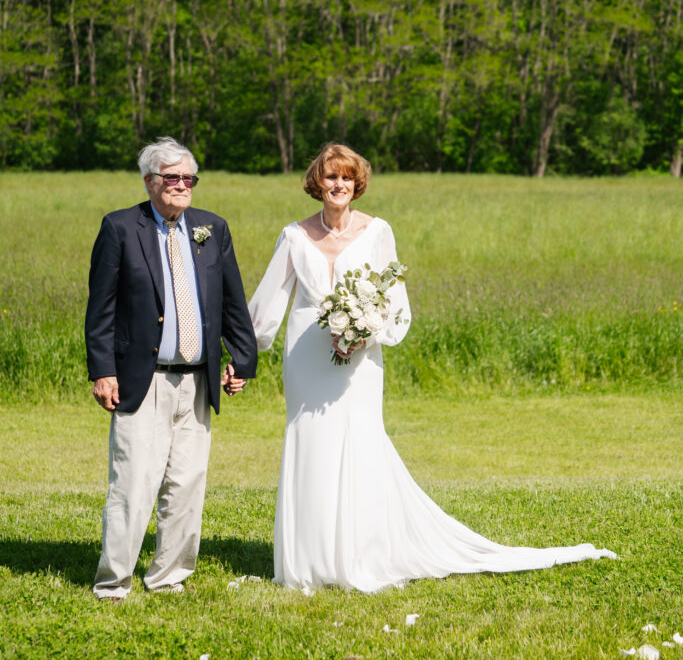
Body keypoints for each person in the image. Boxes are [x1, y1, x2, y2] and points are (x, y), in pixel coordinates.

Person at [248, 142, 616, 592]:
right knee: (309, 442)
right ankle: (307, 561)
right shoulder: (293, 235)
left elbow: (394, 302)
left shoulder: (378, 231)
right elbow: (269, 302)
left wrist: (368, 332)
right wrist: (245, 356)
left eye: (346, 177)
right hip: (306, 354)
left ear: (357, 184)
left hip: (360, 359)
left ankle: (361, 555)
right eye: (329, 177)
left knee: (358, 441)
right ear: (316, 183)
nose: (338, 185)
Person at [85, 136, 257, 600]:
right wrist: (103, 370)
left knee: (186, 484)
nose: (182, 186)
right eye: (172, 178)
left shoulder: (211, 229)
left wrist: (242, 359)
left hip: (198, 380)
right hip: (144, 380)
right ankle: (113, 582)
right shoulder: (121, 228)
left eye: (188, 178)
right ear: (150, 182)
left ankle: (169, 577)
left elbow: (232, 302)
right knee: (134, 483)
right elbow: (100, 309)